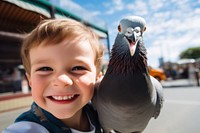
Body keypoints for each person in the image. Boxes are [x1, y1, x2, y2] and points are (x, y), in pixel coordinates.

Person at [3, 18, 104, 133]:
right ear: (30, 80)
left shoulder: (102, 114)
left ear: (97, 78)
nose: (62, 80)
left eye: (78, 68)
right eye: (45, 69)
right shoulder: (27, 128)